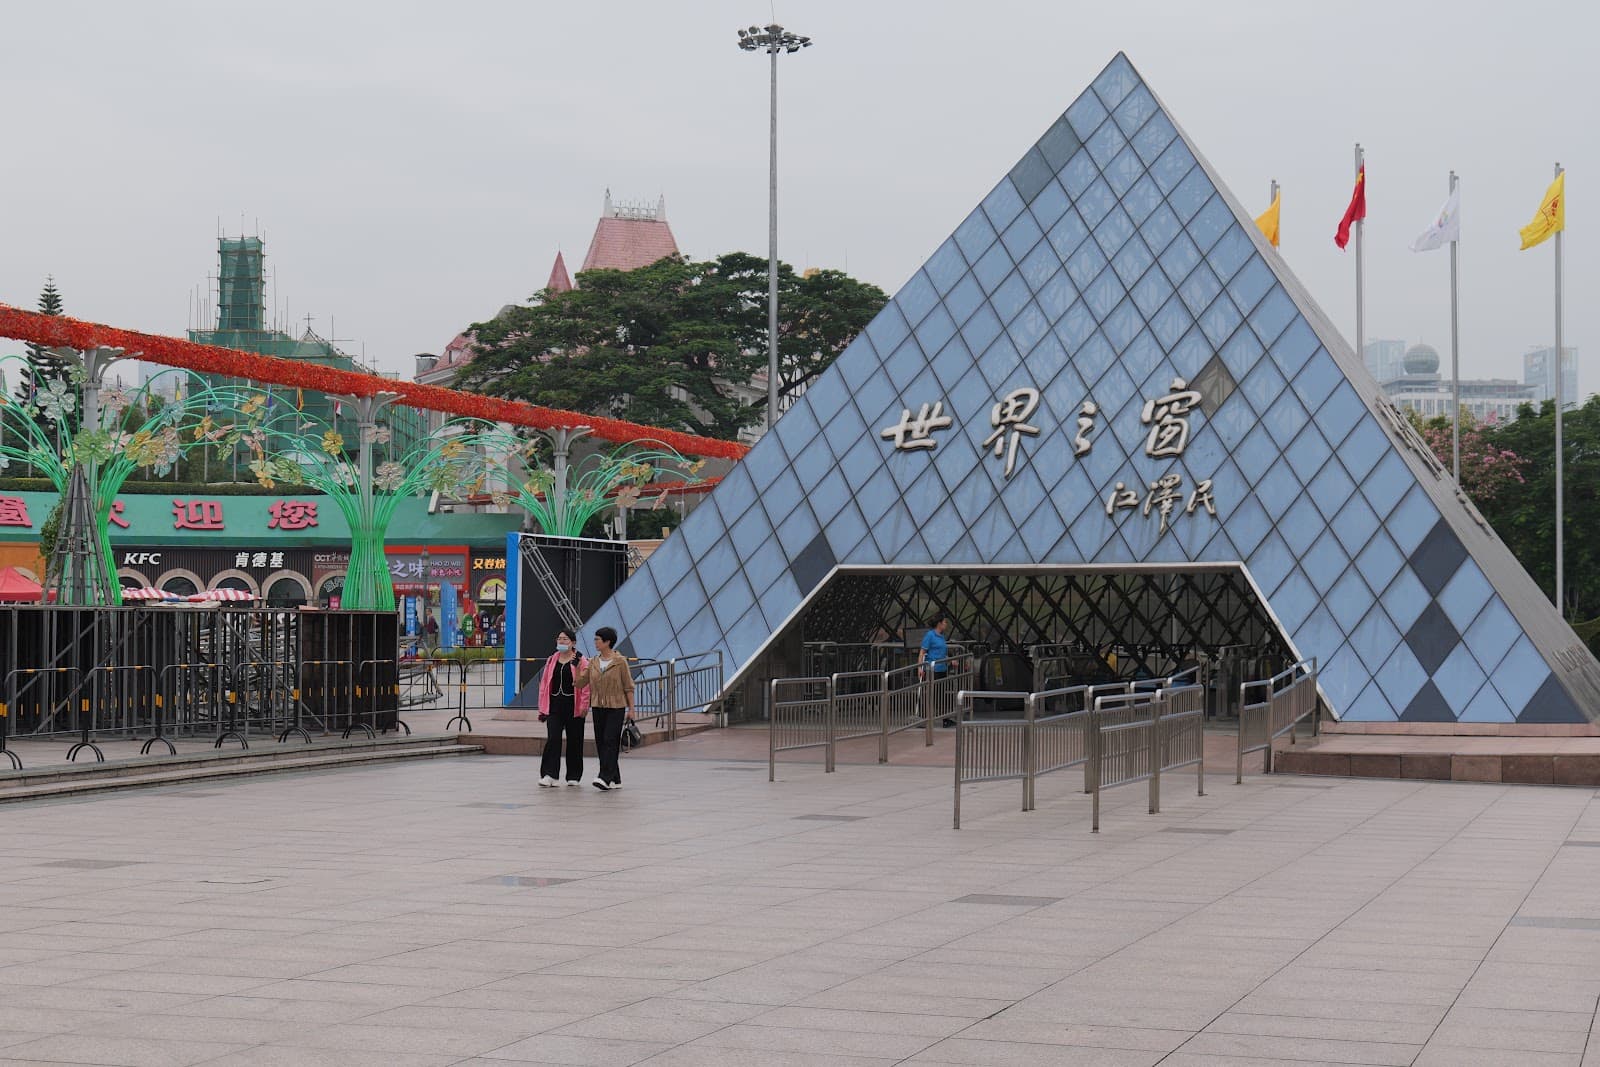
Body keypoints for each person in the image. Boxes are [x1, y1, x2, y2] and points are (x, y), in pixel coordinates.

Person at [577, 626, 635, 791]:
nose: (595, 642)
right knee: (601, 742)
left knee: (610, 740)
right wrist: (576, 668)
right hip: (597, 706)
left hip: (616, 707)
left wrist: (631, 709)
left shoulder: (620, 662)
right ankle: (615, 778)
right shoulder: (593, 661)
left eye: (597, 639)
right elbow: (580, 683)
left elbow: (628, 686)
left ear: (607, 642)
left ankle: (604, 777)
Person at [535, 629, 588, 787]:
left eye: (565, 639)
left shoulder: (580, 660)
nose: (561, 642)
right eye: (559, 639)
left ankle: (574, 775)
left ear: (573, 642)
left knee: (575, 740)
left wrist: (584, 705)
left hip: (574, 706)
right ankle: (549, 774)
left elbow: (585, 685)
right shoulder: (552, 659)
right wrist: (542, 708)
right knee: (553, 739)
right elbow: (544, 684)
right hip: (555, 705)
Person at [918, 615, 954, 727]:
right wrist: (920, 667)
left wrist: (950, 661)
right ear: (939, 623)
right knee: (931, 694)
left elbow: (942, 653)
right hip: (932, 669)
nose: (946, 624)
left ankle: (945, 719)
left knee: (941, 695)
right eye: (945, 622)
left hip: (942, 668)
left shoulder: (942, 637)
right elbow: (922, 652)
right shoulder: (930, 635)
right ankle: (924, 718)